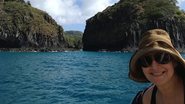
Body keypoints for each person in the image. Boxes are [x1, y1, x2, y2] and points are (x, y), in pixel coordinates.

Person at [129, 29, 185, 104]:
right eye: (146, 60)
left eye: (162, 58)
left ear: (174, 62)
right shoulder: (143, 99)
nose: (154, 67)